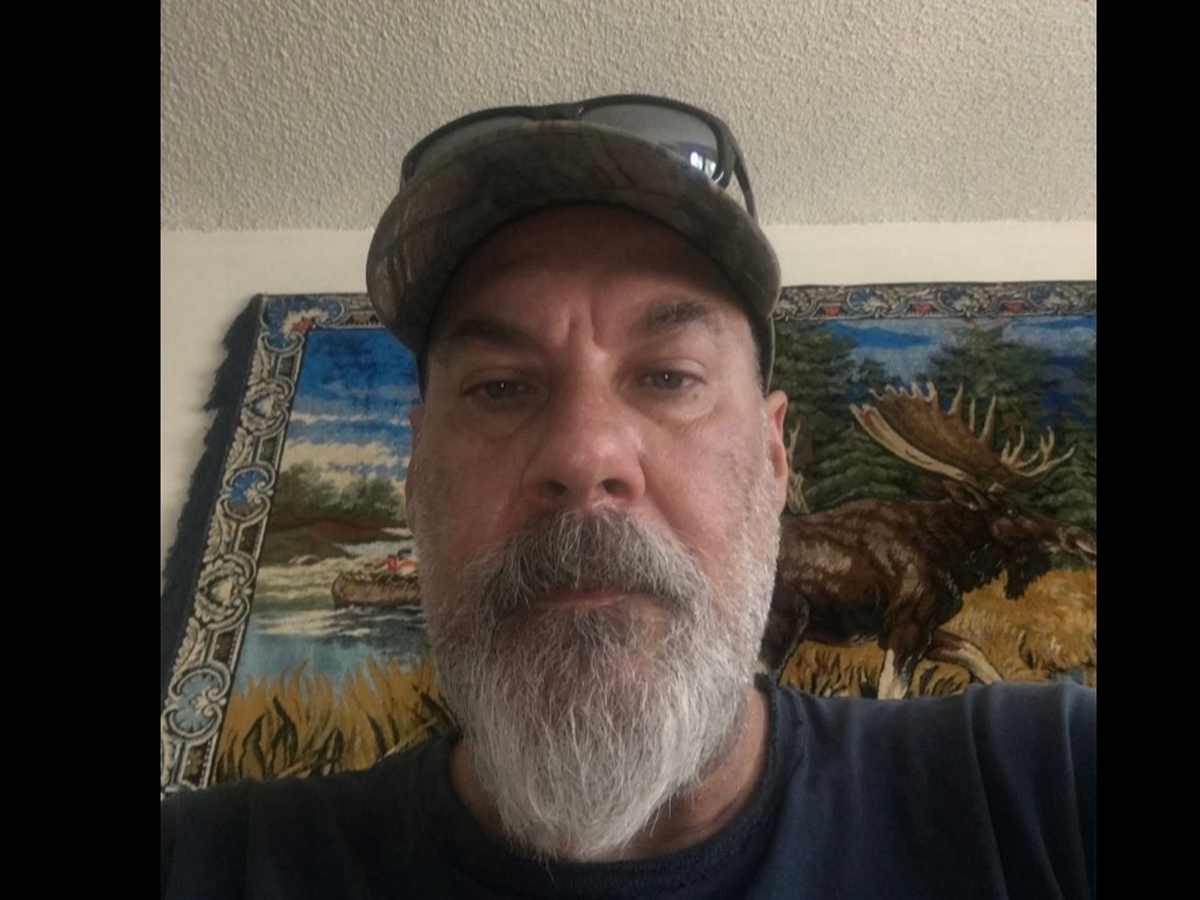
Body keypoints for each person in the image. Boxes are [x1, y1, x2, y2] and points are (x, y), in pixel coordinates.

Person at [161, 95, 1095, 899]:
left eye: (669, 376)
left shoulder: (1042, 784)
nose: (584, 455)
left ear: (775, 462)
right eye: (499, 387)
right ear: (416, 480)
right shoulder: (209, 862)